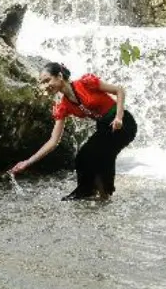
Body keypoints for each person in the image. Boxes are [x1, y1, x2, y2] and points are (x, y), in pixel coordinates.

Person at [10, 62, 137, 200]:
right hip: (105, 127)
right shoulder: (63, 105)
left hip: (123, 123)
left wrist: (119, 117)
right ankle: (97, 194)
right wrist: (27, 162)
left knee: (93, 154)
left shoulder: (86, 83)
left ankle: (96, 194)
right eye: (43, 83)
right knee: (87, 157)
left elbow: (119, 90)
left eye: (48, 80)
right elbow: (53, 141)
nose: (46, 85)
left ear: (59, 76)